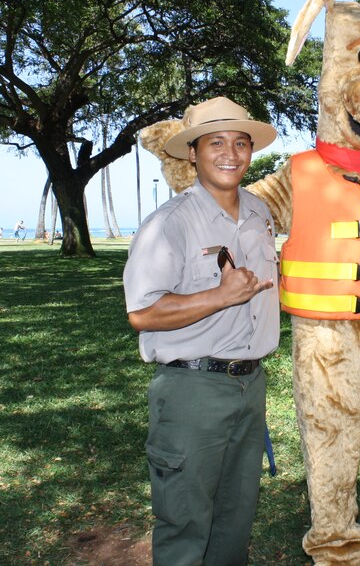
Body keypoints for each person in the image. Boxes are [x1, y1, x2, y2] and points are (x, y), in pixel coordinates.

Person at [123, 96, 280, 565]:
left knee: (235, 518)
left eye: (239, 142)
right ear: (192, 153)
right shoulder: (169, 223)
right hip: (191, 390)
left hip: (249, 385)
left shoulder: (259, 215)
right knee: (185, 523)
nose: (229, 153)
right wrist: (219, 296)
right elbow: (143, 313)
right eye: (215, 142)